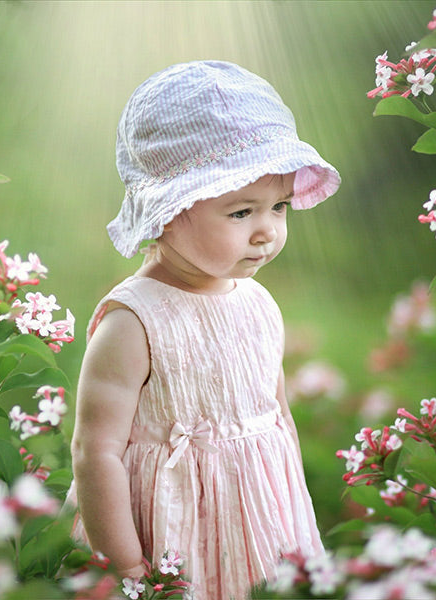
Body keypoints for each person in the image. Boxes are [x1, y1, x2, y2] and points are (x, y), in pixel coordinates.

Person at [68, 61, 341, 599]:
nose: (267, 232)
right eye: (241, 213)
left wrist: (294, 529)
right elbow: (94, 450)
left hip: (258, 529)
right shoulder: (135, 321)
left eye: (279, 207)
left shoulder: (259, 304)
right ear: (168, 211)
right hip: (167, 536)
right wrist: (125, 566)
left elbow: (277, 423)